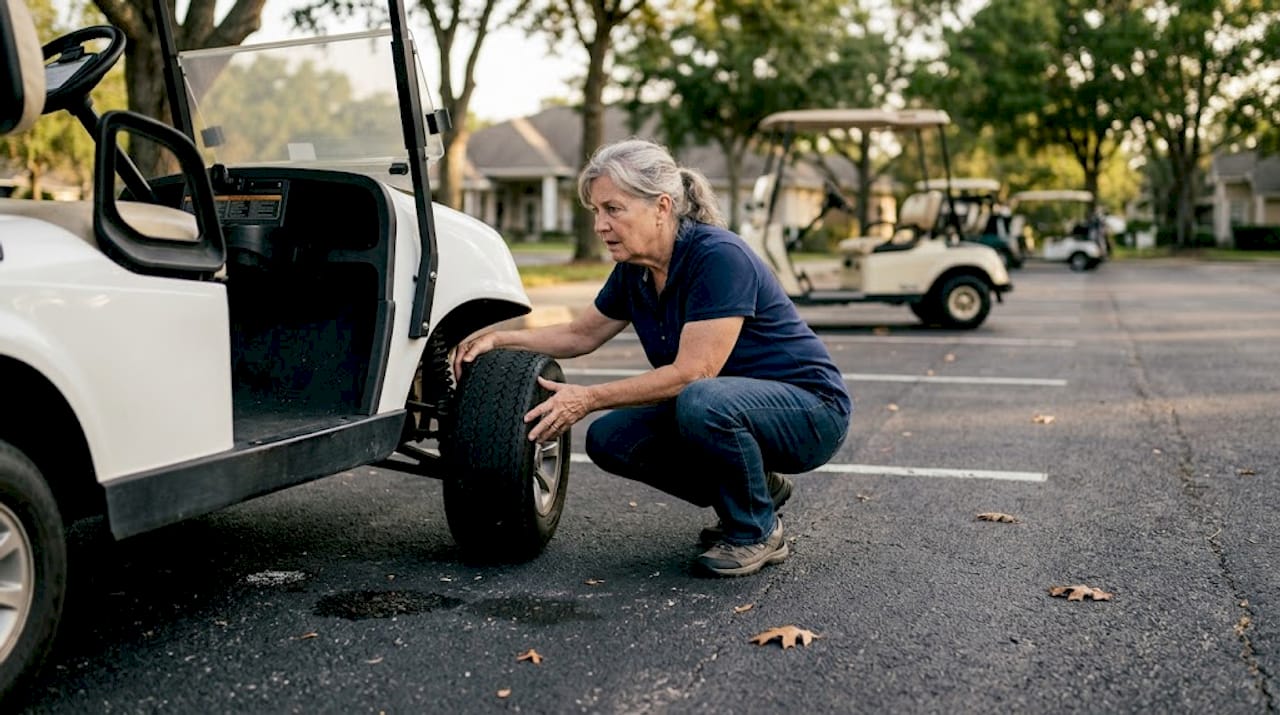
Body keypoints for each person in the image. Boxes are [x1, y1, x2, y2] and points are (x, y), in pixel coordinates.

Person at [453, 138, 852, 577]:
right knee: (611, 439)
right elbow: (580, 334)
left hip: (811, 410)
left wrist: (587, 397)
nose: (601, 225)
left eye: (613, 209)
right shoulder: (635, 271)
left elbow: (692, 374)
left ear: (662, 206)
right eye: (596, 213)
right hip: (727, 407)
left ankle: (756, 531)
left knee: (701, 400)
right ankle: (760, 490)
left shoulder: (718, 258)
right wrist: (499, 340)